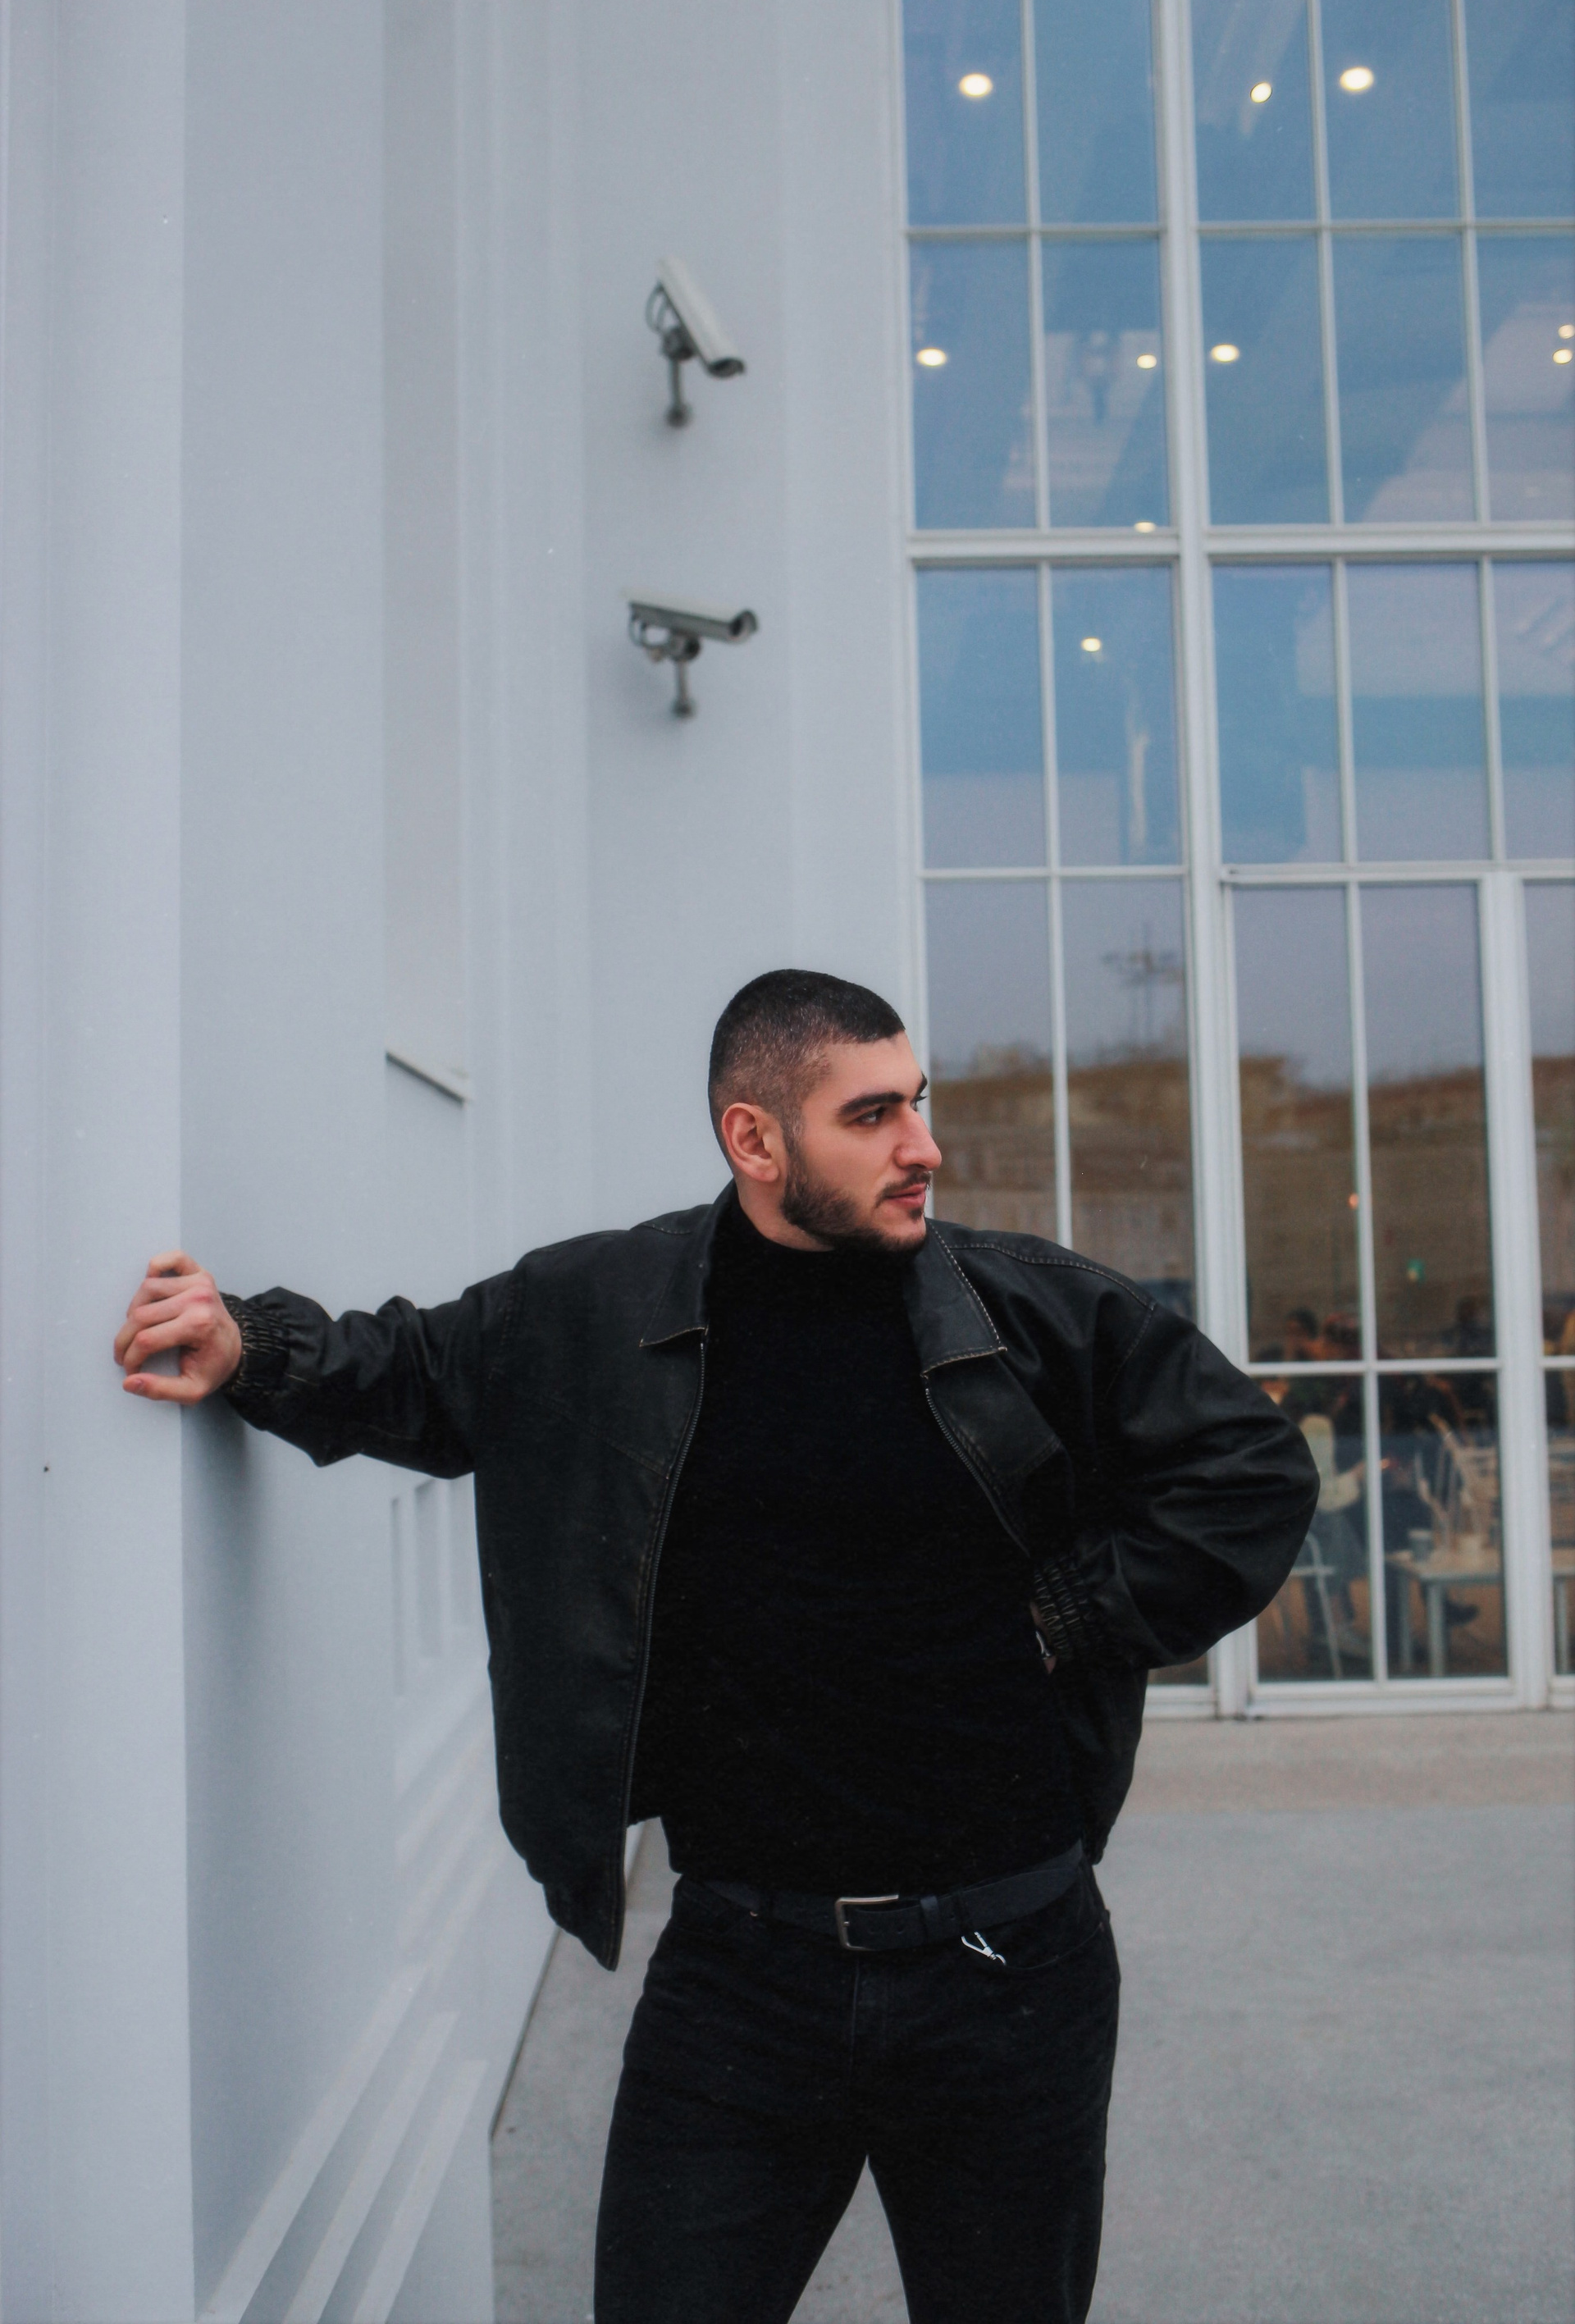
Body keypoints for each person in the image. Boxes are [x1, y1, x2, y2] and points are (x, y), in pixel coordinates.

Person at [115, 969, 1317, 2324]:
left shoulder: (1030, 1310)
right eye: (872, 1115)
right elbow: (416, 1374)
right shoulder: (598, 1310)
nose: (923, 1145)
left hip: (1009, 1969)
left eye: (917, 1103)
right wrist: (245, 1345)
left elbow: (1253, 1470)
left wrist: (1070, 1617)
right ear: (755, 1139)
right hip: (745, 1976)